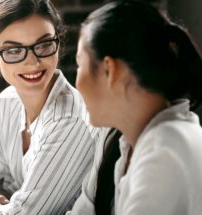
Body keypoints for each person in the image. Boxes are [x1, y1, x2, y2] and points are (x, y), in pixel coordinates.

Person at [0, 0, 99, 214]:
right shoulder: (8, 102)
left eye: (43, 45)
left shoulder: (68, 121)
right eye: (14, 50)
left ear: (57, 43)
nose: (32, 62)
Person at [71, 0, 202, 214]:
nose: (76, 82)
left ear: (110, 70)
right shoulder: (116, 142)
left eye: (79, 64)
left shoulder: (165, 150)